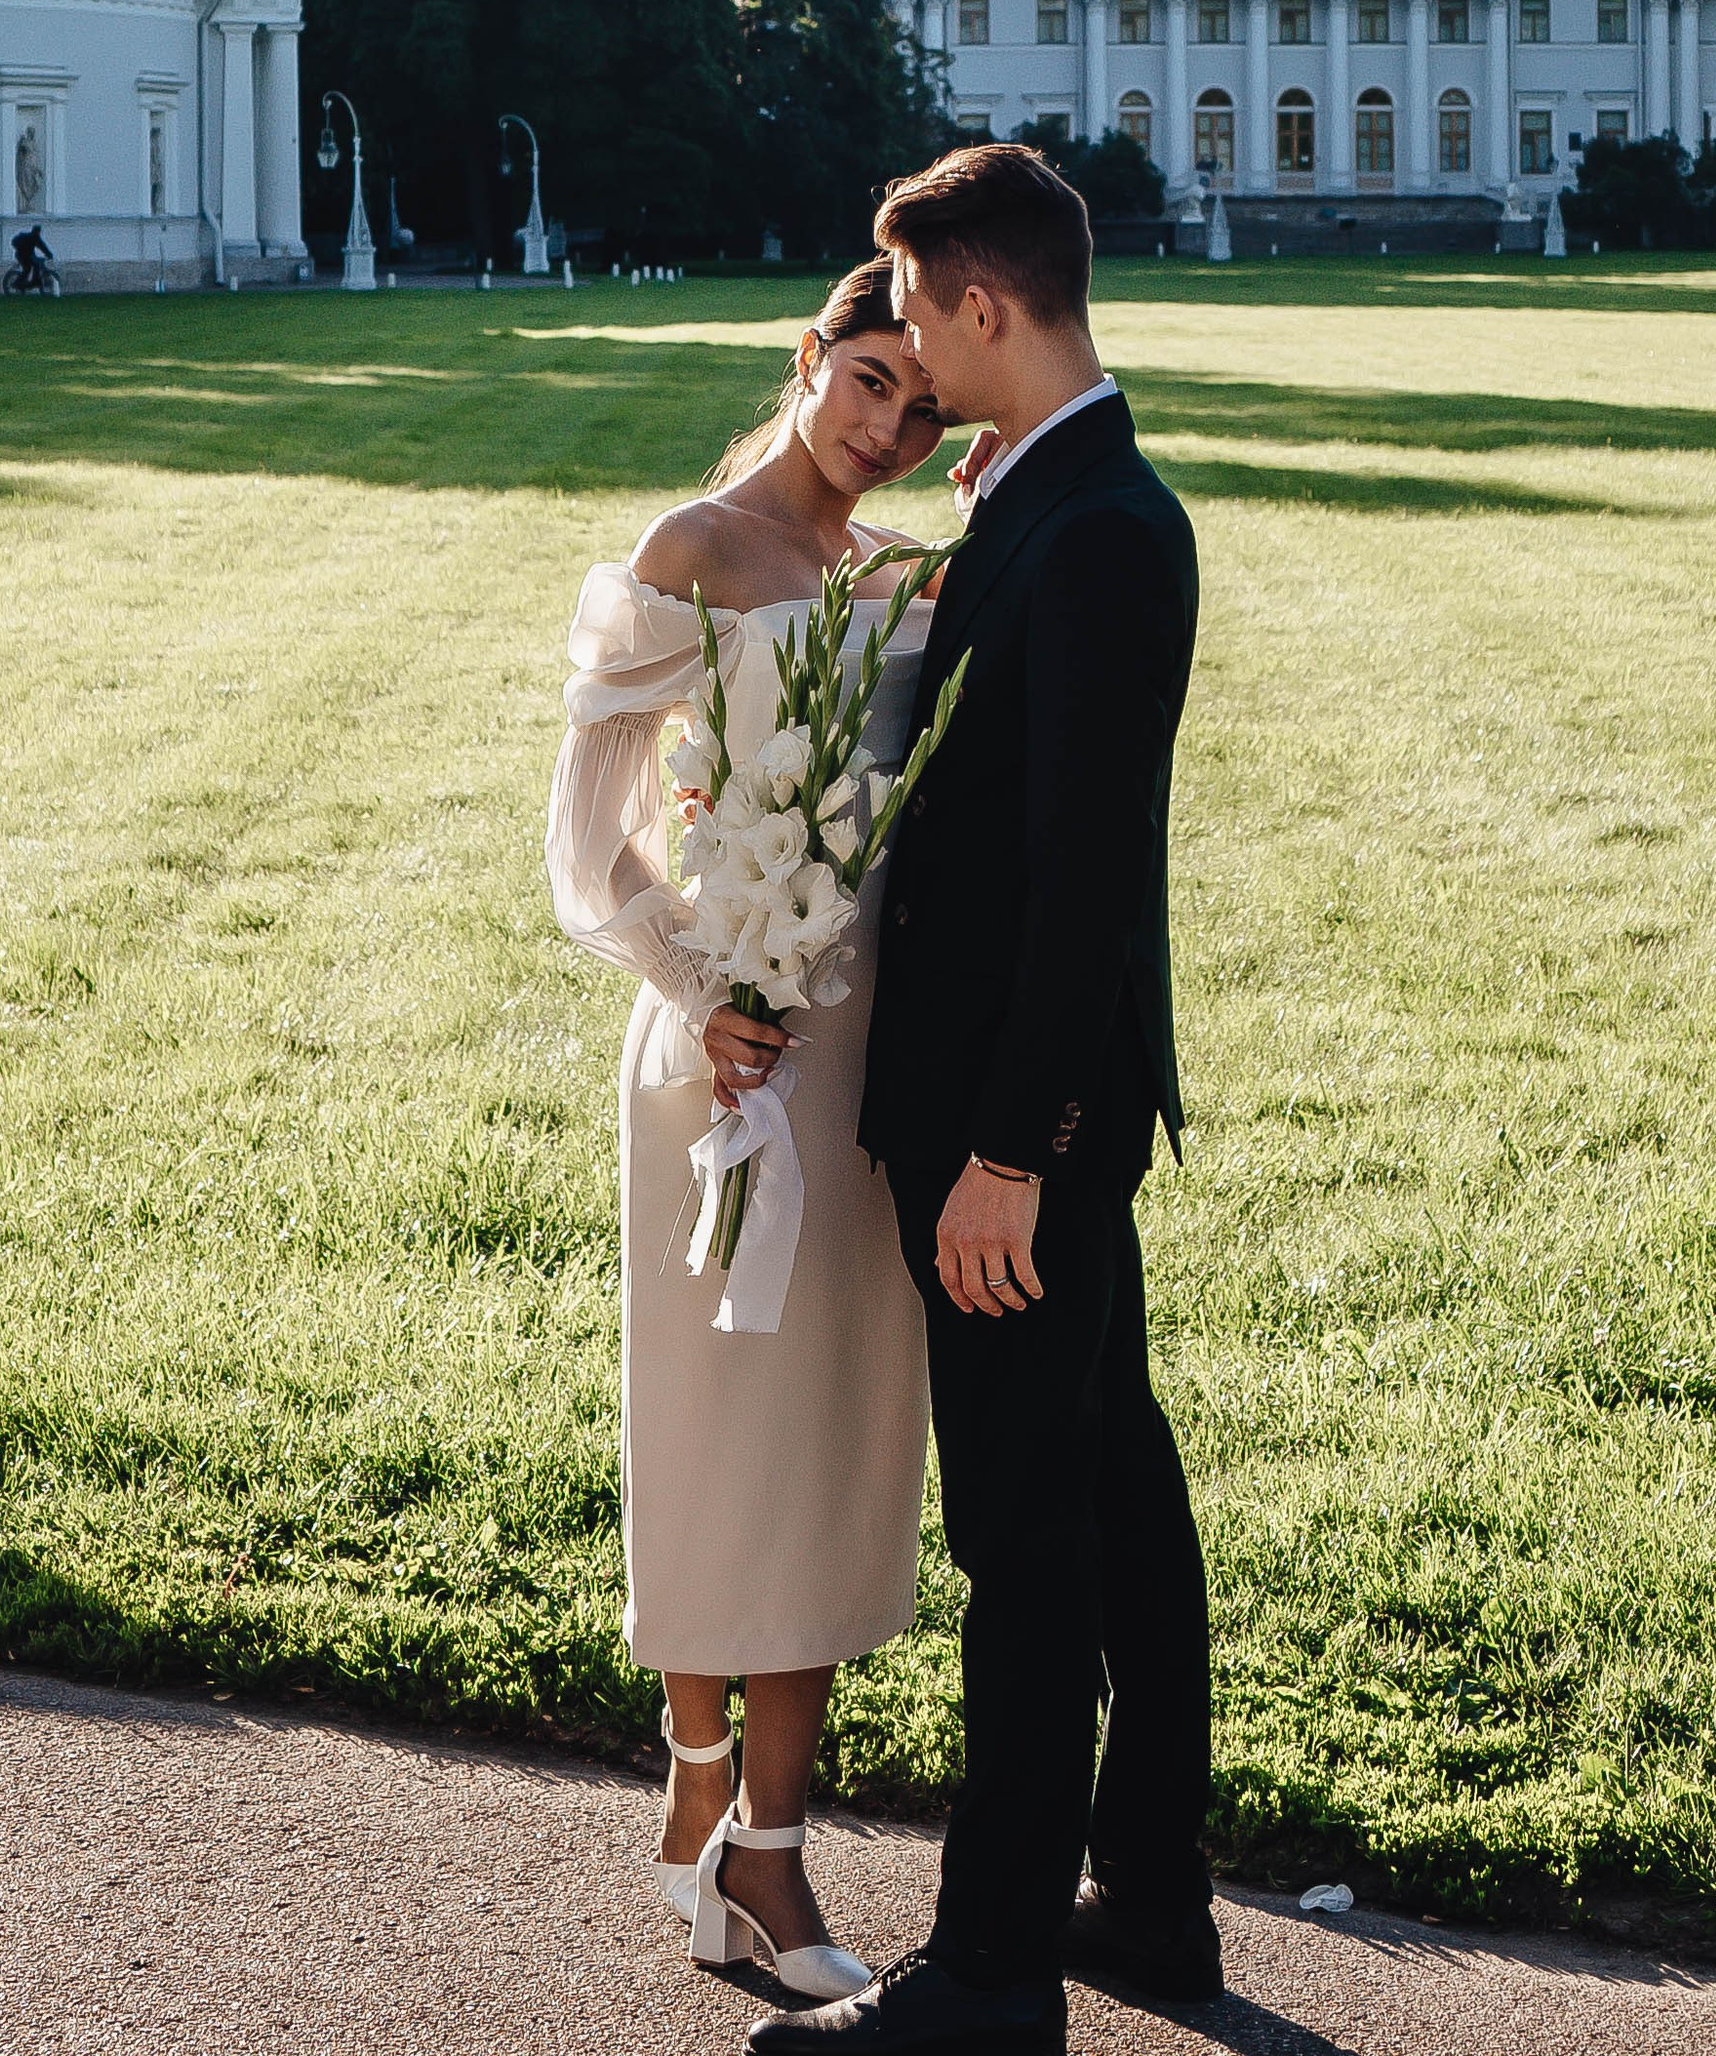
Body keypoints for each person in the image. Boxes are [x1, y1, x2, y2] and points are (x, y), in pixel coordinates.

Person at [751, 143, 1216, 2056]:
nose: (914, 360)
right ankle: (1153, 1903)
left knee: (1027, 1542)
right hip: (1023, 1110)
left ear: (987, 307)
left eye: (925, 320)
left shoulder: (1100, 526)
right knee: (1114, 1493)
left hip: (1022, 1129)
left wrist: (1009, 1156)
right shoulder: (1053, 493)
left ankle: (998, 1969)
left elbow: (1084, 871)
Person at [544, 258, 951, 2004]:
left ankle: (750, 1827)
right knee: (722, 1436)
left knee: (828, 1455)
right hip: (716, 1059)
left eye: (922, 410)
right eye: (867, 381)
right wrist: (699, 989)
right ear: (811, 356)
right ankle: (725, 1795)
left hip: (859, 1068)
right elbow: (588, 840)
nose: (885, 429)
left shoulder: (897, 582)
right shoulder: (692, 552)